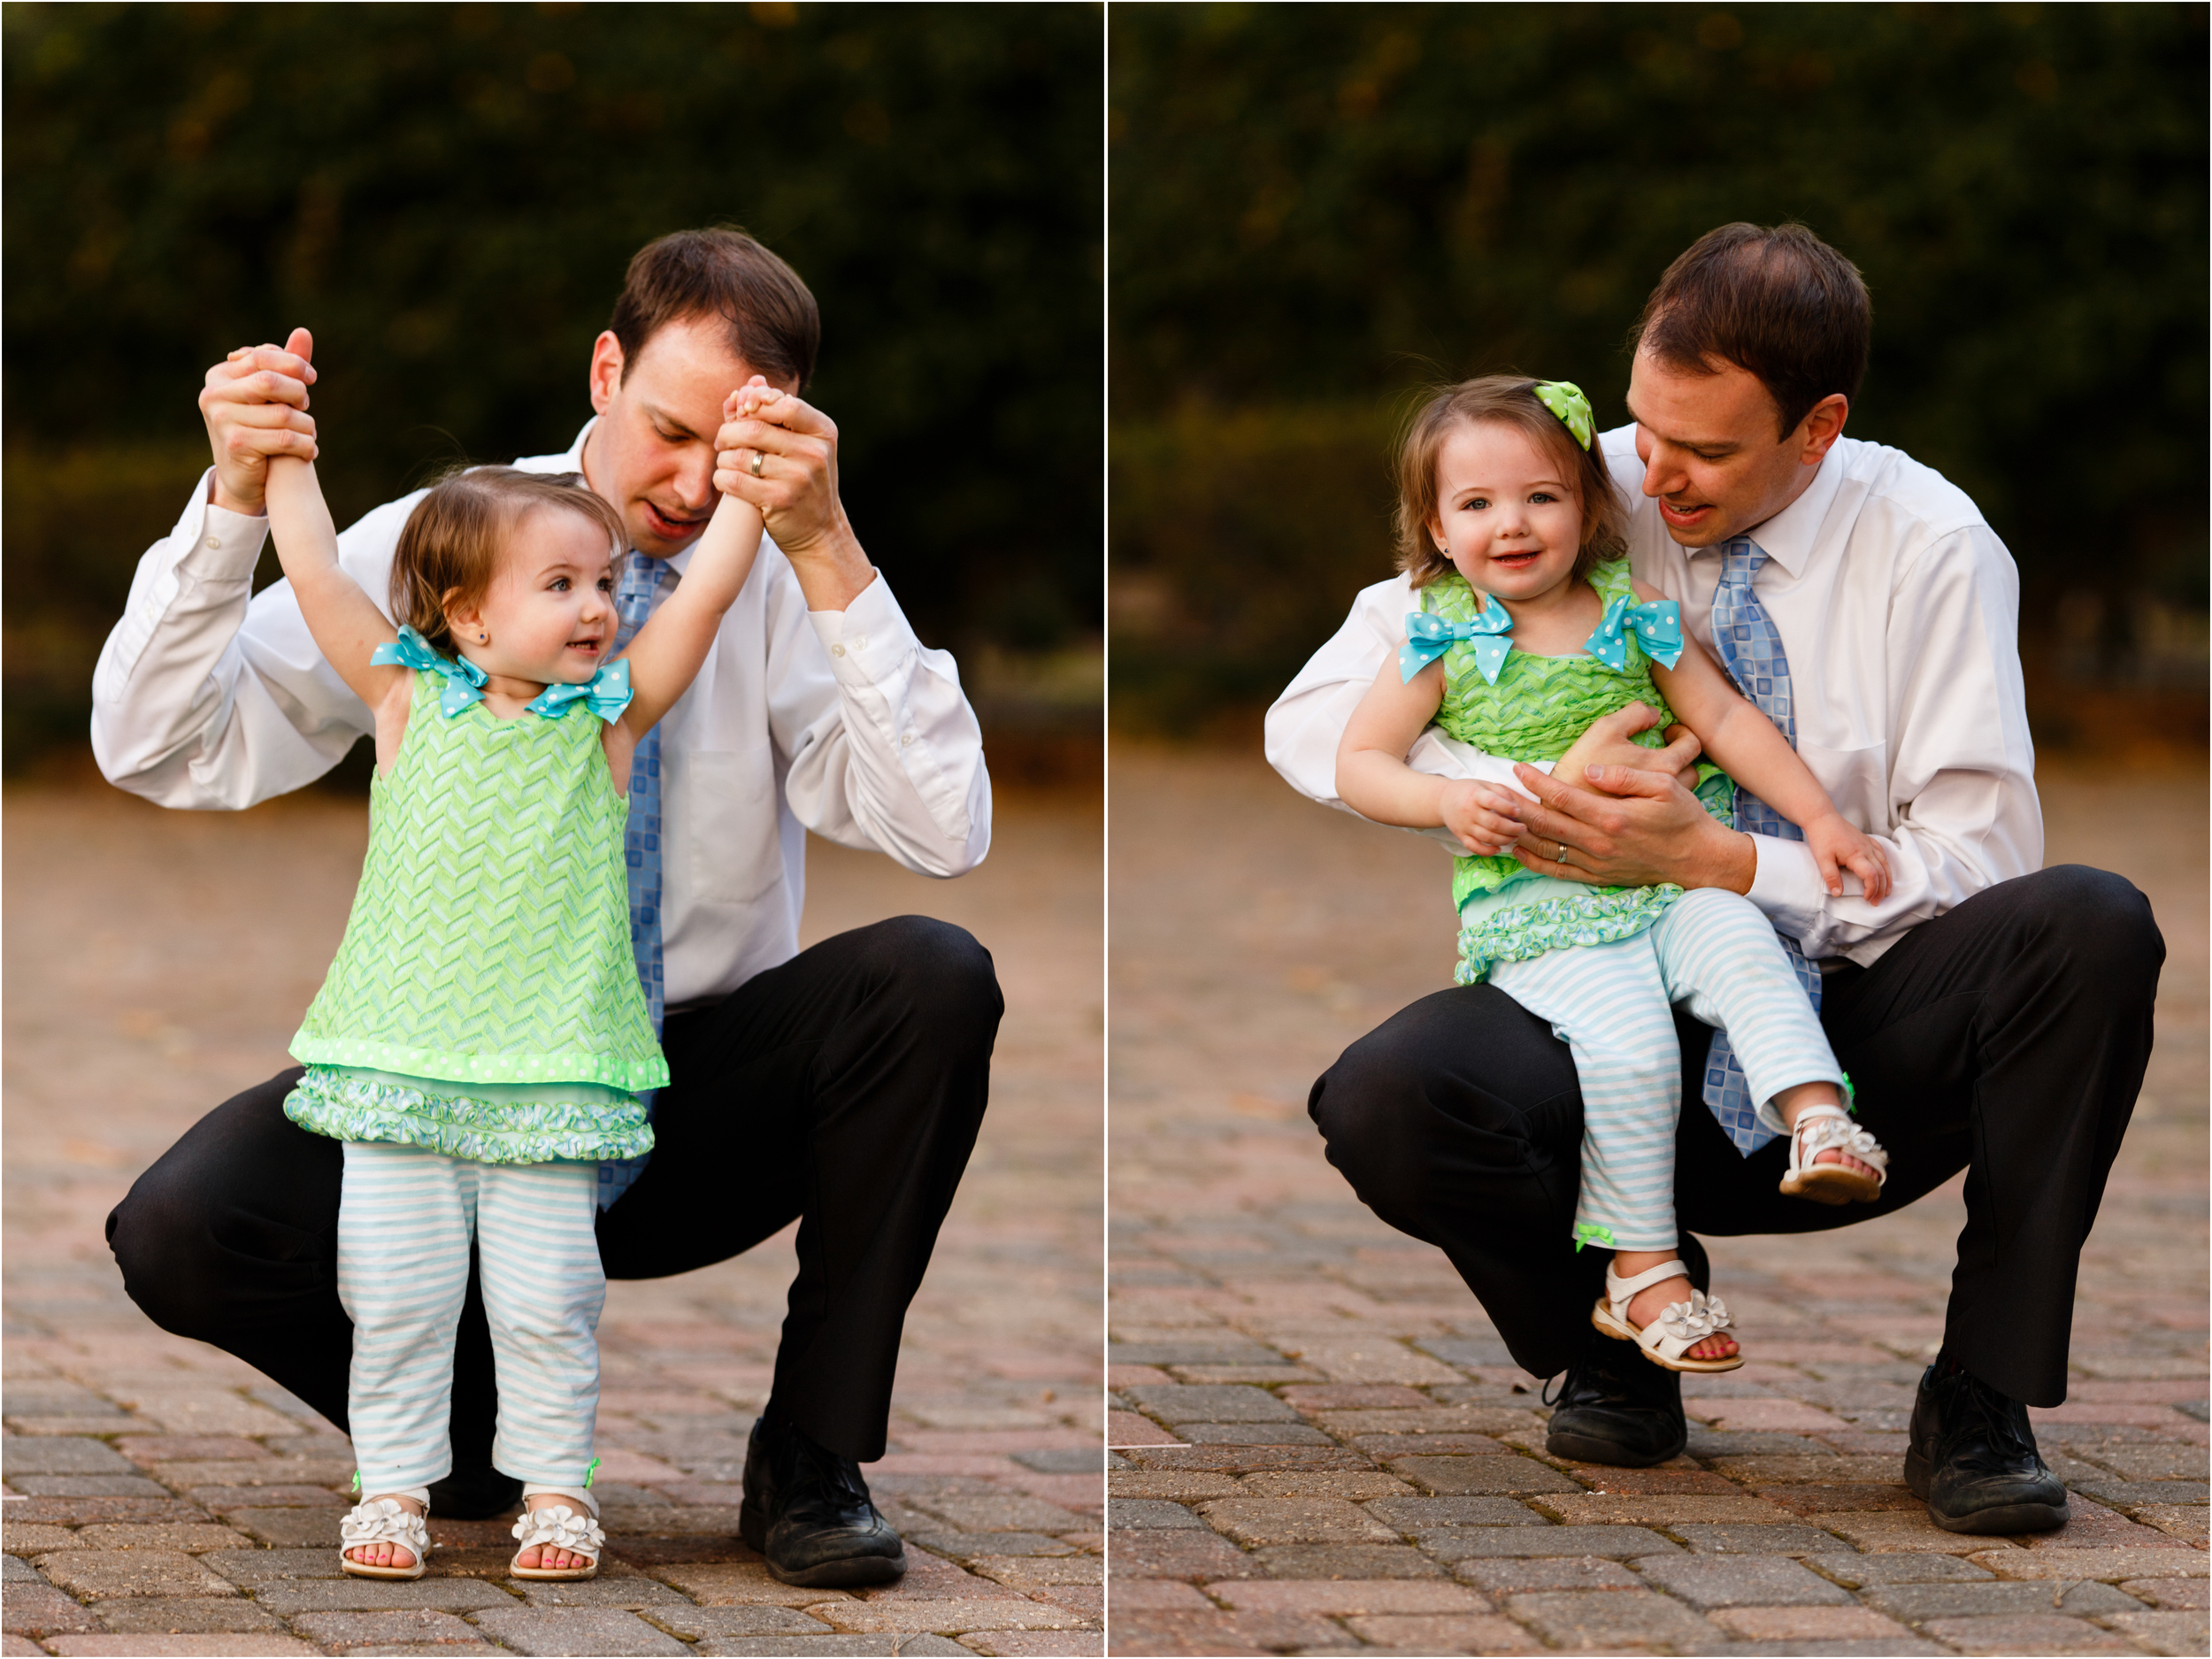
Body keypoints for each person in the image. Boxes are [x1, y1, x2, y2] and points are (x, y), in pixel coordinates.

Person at [96, 228, 1002, 1586]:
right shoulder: (447, 538)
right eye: (669, 430)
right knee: (179, 1222)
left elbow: (944, 831)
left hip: (681, 1088)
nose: (698, 484)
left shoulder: (772, 560)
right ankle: (461, 1438)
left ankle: (812, 1451)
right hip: (449, 1073)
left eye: (736, 446)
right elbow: (160, 744)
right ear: (603, 368)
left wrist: (827, 547)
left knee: (933, 972)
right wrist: (234, 499)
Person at [1268, 223, 2162, 1536]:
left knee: (2090, 921)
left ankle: (1983, 1392)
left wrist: (1733, 859)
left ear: (1820, 427)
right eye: (1640, 427)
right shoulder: (1561, 481)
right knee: (1389, 1094)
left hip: (1845, 1045)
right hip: (1593, 983)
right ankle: (1621, 1327)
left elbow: (1980, 862)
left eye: (1705, 450)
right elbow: (1316, 717)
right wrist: (1523, 782)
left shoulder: (1931, 545)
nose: (1652, 474)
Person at [264, 368, 769, 1579]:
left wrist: (748, 491)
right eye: (561, 585)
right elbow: (320, 577)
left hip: (552, 1069)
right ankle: (391, 1485)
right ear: (467, 615)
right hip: (403, 1060)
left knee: (549, 1300)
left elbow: (696, 602)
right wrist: (281, 455)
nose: (599, 606)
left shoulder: (606, 720)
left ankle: (556, 1487)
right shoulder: (404, 701)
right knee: (394, 1294)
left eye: (601, 583)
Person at [1333, 373, 1892, 1375]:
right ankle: (1645, 1271)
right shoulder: (1441, 634)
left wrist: (1817, 819)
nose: (1512, 524)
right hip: (1540, 906)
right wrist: (1449, 798)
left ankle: (1818, 1122)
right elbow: (1360, 761)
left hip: (1668, 881)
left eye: (1540, 495)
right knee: (1630, 1054)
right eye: (1477, 504)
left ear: (1589, 505)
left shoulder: (1632, 610)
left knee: (1741, 941)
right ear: (1437, 526)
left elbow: (1723, 720)